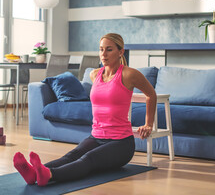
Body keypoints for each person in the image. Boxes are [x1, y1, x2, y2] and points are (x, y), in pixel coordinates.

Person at [13, 33, 157, 186]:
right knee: (71, 155)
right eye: (101, 49)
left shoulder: (129, 74)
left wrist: (148, 124)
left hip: (121, 143)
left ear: (120, 52)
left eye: (109, 50)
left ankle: (48, 175)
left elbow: (151, 94)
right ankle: (32, 174)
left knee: (88, 159)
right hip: (96, 136)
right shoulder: (95, 74)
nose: (103, 54)